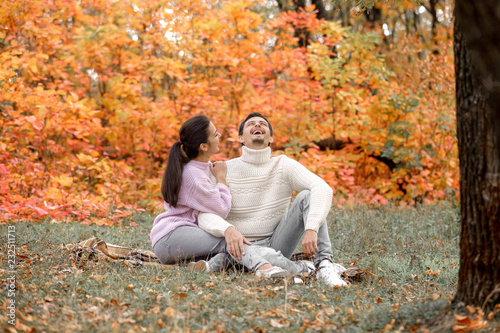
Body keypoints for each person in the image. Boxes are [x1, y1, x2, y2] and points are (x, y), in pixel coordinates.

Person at [198, 112, 347, 287]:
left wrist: (312, 227)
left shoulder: (283, 165)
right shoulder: (223, 169)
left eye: (262, 124)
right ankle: (303, 268)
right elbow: (203, 213)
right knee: (251, 253)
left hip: (277, 241)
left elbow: (322, 187)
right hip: (240, 243)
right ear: (240, 138)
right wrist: (227, 230)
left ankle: (324, 265)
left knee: (308, 195)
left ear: (271, 138)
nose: (257, 125)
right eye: (251, 124)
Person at [150, 115, 288, 278]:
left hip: (184, 237)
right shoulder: (193, 175)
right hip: (171, 237)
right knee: (229, 239)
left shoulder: (202, 167)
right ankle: (265, 268)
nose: (219, 137)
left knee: (230, 248)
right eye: (215, 134)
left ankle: (207, 267)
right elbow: (221, 209)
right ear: (203, 146)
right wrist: (221, 179)